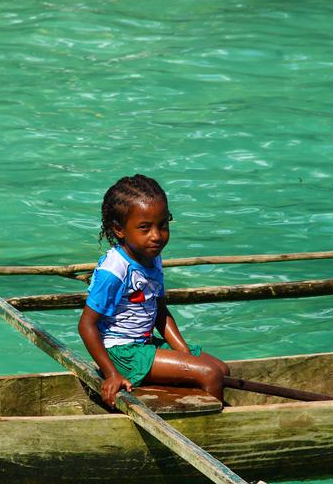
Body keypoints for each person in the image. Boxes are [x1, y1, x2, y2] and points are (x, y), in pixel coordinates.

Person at [78, 174, 230, 407]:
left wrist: (182, 350)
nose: (157, 236)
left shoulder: (152, 256)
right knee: (210, 375)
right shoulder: (115, 270)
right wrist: (111, 374)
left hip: (145, 345)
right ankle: (208, 430)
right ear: (119, 230)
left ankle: (185, 406)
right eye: (145, 228)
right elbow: (86, 325)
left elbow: (159, 310)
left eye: (163, 225)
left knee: (221, 369)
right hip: (122, 354)